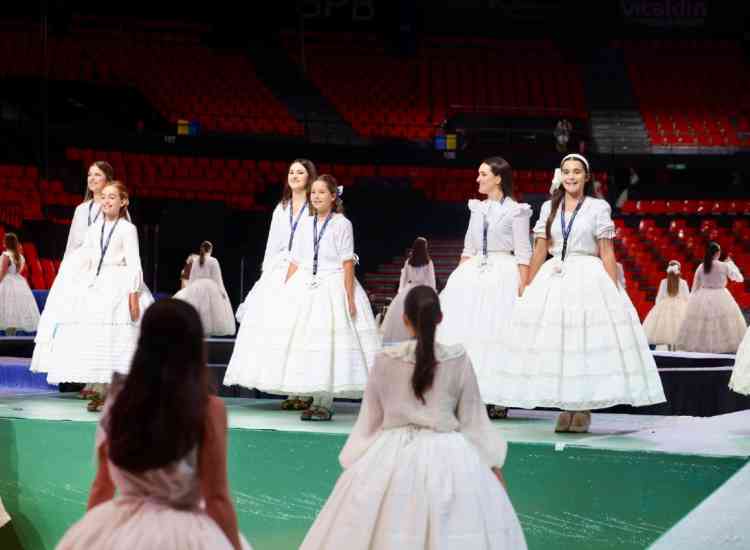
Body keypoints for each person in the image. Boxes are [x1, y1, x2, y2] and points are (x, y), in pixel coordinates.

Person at [299, 286, 527, 550]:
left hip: (389, 458)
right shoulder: (458, 360)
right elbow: (473, 422)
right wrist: (493, 467)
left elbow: (369, 422)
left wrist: (352, 465)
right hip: (451, 459)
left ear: (405, 320)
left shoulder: (385, 361)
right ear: (440, 318)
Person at [55, 299, 250, 550]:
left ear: (143, 342)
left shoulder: (118, 402)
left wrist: (88, 537)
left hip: (119, 529)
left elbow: (102, 485)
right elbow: (216, 497)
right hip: (186, 535)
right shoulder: (208, 408)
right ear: (194, 345)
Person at [494, 154, 665, 433]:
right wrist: (528, 284)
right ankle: (566, 405)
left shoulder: (598, 207)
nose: (571, 176)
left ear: (587, 177)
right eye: (566, 171)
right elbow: (540, 249)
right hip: (554, 277)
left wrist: (613, 288)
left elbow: (607, 251)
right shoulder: (549, 207)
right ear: (560, 176)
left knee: (581, 342)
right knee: (558, 344)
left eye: (576, 172)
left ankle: (581, 406)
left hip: (587, 275)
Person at [223, 175, 381, 421]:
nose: (316, 196)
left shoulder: (342, 224)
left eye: (322, 192)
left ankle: (324, 402)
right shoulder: (306, 224)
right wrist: (284, 290)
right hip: (305, 285)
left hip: (333, 284)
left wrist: (349, 298)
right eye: (313, 192)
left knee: (329, 345)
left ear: (333, 196)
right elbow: (296, 260)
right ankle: (311, 397)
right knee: (308, 345)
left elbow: (347, 263)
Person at [45, 182, 154, 411]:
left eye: (112, 197)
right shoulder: (94, 228)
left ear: (123, 201)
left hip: (120, 284)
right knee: (95, 337)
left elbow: (134, 263)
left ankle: (117, 391)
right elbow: (87, 257)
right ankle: (100, 389)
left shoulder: (127, 229)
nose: (107, 201)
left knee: (118, 336)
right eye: (104, 197)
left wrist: (133, 296)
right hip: (97, 283)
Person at [437, 157, 532, 419]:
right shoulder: (477, 208)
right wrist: (455, 281)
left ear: (498, 178)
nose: (478, 179)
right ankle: (466, 396)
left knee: (497, 333)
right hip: (474, 273)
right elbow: (468, 248)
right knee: (468, 333)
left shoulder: (516, 211)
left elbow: (524, 253)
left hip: (503, 274)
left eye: (483, 174)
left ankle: (498, 396)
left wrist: (523, 289)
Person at [31, 161, 113, 386]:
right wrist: (67, 271)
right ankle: (77, 374)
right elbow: (72, 244)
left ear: (107, 179)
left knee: (98, 321)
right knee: (74, 321)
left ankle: (98, 379)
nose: (92, 179)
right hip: (79, 270)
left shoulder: (114, 205)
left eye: (97, 175)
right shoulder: (81, 209)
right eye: (89, 175)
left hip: (104, 269)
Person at [234, 159, 315, 326]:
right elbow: (273, 241)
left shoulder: (315, 206)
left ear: (309, 178)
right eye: (291, 172)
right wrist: (267, 269)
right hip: (280, 265)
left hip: (306, 265)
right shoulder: (282, 207)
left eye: (300, 172)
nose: (295, 176)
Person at [674, 242, 746, 353]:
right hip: (721, 296)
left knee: (702, 324)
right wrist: (731, 264)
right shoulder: (724, 265)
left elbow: (695, 286)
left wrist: (693, 301)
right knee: (723, 324)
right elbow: (739, 278)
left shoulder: (701, 266)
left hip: (703, 296)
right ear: (717, 253)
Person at [380, 237, 436, 343]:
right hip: (422, 290)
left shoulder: (408, 262)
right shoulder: (429, 262)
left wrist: (401, 292)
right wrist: (432, 292)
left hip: (408, 290)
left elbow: (403, 278)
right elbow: (431, 280)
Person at [174, 241, 235, 336]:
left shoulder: (195, 261)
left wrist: (189, 290)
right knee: (209, 311)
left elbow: (192, 278)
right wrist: (222, 291)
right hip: (210, 287)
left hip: (196, 287)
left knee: (198, 310)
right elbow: (217, 278)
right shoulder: (213, 260)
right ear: (210, 249)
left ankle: (198, 329)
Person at [642, 261, 690, 350]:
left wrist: (658, 309)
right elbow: (687, 298)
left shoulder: (663, 282)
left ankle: (668, 349)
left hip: (665, 306)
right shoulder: (683, 282)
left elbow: (659, 297)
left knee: (665, 329)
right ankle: (676, 349)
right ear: (679, 270)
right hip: (680, 307)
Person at [0, 232, 40, 335]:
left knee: (7, 309)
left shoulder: (6, 255)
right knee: (14, 311)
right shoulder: (21, 257)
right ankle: (11, 337)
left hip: (6, 284)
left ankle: (9, 338)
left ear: (7, 243)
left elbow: (3, 273)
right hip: (19, 284)